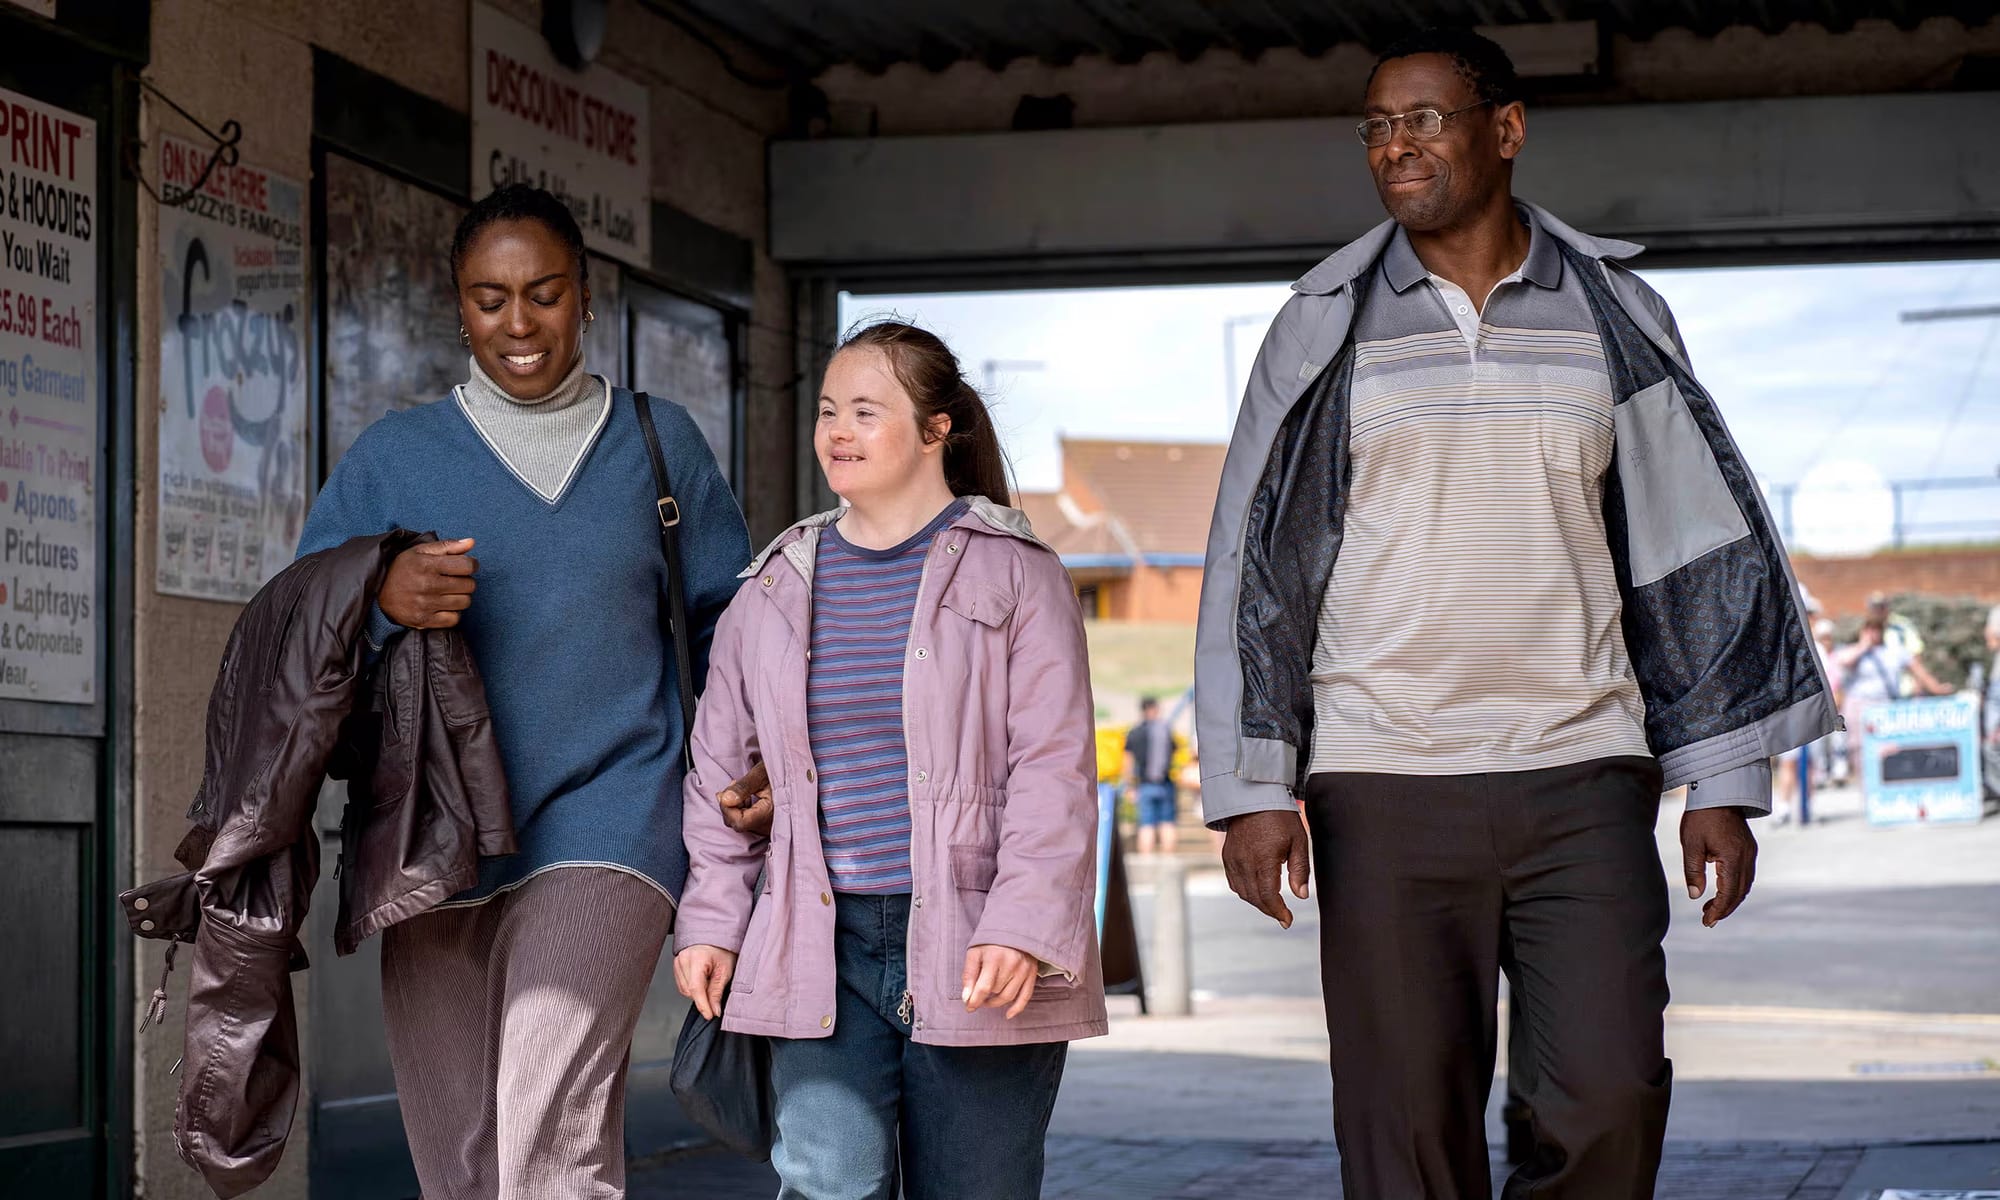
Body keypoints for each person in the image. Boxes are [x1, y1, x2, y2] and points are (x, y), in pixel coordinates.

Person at [1193, 29, 1836, 1199]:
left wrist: (1725, 782)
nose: (1395, 145)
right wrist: (1248, 788)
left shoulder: (1612, 312)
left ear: (1504, 128)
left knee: (1605, 1097)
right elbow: (1250, 560)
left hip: (1582, 772)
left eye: (1423, 119)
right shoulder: (1321, 323)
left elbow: (1691, 546)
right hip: (1381, 782)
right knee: (1403, 1132)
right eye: (1377, 127)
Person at [295, 183, 750, 1200]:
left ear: (585, 298)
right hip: (434, 836)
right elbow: (295, 632)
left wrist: (743, 759)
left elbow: (732, 620)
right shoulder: (394, 457)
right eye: (489, 298)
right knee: (457, 1160)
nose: (518, 323)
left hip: (611, 817)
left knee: (550, 1142)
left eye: (543, 293)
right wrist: (380, 595)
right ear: (457, 308)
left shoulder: (656, 442)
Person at [674, 320, 1108, 1200]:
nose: (838, 431)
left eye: (866, 412)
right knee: (829, 1187)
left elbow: (1054, 771)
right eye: (830, 411)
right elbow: (719, 772)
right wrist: (714, 921)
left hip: (977, 941)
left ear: (936, 428)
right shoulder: (773, 586)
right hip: (816, 939)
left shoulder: (1019, 574)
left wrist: (1021, 926)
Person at [1833, 608, 1953, 779]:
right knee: (1860, 752)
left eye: (1877, 629)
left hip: (1884, 706)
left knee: (1887, 750)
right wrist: (1863, 646)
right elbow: (1843, 661)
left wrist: (1937, 688)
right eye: (1869, 629)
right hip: (1859, 708)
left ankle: (1884, 788)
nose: (1873, 633)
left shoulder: (1893, 652)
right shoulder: (1853, 651)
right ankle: (1867, 789)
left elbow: (1918, 670)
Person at [1124, 696, 1179, 854]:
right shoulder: (1165, 730)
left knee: (1146, 824)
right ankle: (1168, 860)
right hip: (1165, 783)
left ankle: (1146, 860)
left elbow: (1127, 762)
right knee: (1167, 823)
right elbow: (1174, 752)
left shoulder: (1135, 732)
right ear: (1154, 709)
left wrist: (1129, 786)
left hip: (1145, 784)